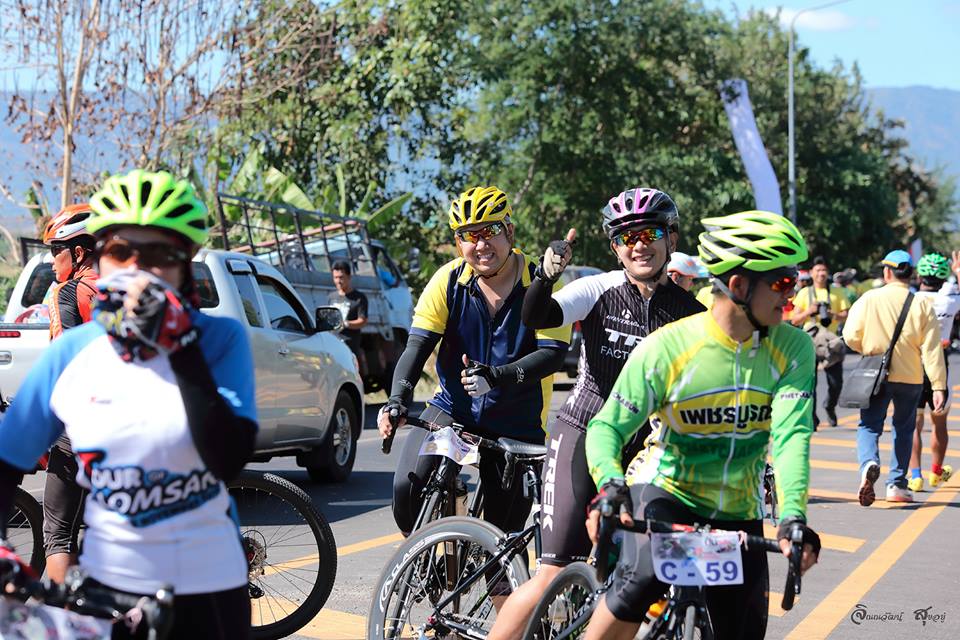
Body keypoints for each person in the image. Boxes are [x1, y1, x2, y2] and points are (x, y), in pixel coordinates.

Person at [0, 169, 256, 638]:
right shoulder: (72, 353)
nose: (138, 268)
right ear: (101, 259)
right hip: (107, 589)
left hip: (209, 588)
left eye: (159, 254)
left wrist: (180, 347)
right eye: (120, 252)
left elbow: (227, 459)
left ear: (185, 264)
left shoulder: (218, 339)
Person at [582, 211, 821, 640]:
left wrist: (793, 518)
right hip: (667, 491)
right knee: (638, 584)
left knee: (744, 630)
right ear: (739, 286)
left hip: (738, 509)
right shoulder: (669, 347)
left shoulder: (794, 348)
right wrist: (610, 485)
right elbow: (608, 428)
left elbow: (791, 438)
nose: (792, 294)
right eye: (783, 282)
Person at [487, 188, 704, 640]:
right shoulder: (599, 289)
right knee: (553, 572)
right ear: (614, 248)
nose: (639, 245)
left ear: (671, 240)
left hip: (646, 451)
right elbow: (537, 316)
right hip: (583, 433)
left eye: (649, 234)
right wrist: (545, 275)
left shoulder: (690, 313)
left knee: (644, 575)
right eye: (626, 237)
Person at [377, 186, 570, 537]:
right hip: (453, 409)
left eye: (490, 231)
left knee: (500, 541)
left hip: (516, 420)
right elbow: (417, 346)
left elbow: (552, 354)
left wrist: (497, 376)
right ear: (458, 242)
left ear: (509, 231)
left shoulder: (542, 281)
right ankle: (436, 542)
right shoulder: (448, 280)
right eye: (469, 235)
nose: (481, 245)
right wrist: (396, 400)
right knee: (407, 493)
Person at [843, 250, 947, 505]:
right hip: (911, 377)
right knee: (904, 428)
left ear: (887, 272)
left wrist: (869, 348)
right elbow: (932, 349)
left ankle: (869, 463)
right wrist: (938, 386)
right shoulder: (921, 303)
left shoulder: (869, 299)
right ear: (910, 274)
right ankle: (897, 485)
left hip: (875, 374)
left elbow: (850, 335)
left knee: (869, 425)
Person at [39, 204, 101, 584]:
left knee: (59, 533)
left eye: (55, 251)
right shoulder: (120, 287)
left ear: (78, 253)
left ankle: (65, 615)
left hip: (83, 424)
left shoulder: (67, 293)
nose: (51, 261)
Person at [908, 252, 960, 492]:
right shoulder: (950, 299)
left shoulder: (910, 300)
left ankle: (915, 476)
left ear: (920, 276)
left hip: (913, 364)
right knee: (939, 423)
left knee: (913, 424)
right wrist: (958, 272)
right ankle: (936, 472)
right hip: (940, 365)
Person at [790, 256, 850, 427]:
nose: (821, 274)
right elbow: (795, 320)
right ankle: (812, 418)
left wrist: (832, 315)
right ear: (811, 273)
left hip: (831, 343)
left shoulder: (837, 292)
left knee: (836, 383)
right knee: (811, 382)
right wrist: (810, 311)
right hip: (809, 342)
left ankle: (830, 406)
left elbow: (847, 315)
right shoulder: (804, 293)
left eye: (824, 270)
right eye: (818, 270)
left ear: (827, 272)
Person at [328, 260, 369, 363]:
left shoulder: (359, 298)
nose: (338, 281)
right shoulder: (331, 297)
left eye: (341, 277)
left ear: (349, 277)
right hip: (333, 343)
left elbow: (362, 321)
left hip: (350, 346)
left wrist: (345, 324)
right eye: (335, 277)